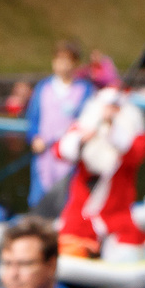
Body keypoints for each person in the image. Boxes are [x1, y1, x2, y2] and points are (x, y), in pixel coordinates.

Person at [52, 73, 145, 260]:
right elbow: (59, 151)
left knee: (127, 250)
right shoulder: (84, 126)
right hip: (81, 214)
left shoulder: (133, 133)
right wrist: (81, 140)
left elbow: (134, 154)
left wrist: (111, 128)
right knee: (68, 246)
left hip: (117, 215)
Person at [24, 40, 91, 217]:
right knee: (41, 195)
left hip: (69, 159)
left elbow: (87, 122)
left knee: (68, 198)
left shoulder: (84, 90)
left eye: (66, 60)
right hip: (44, 156)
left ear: (75, 63)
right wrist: (34, 138)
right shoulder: (43, 88)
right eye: (58, 59)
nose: (61, 64)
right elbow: (33, 120)